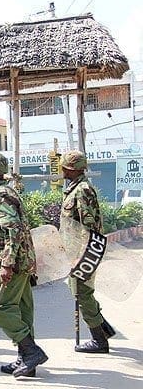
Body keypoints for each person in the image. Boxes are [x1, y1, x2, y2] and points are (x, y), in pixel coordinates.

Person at [0, 152, 48, 378]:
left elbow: (13, 229)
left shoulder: (0, 195)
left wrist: (7, 263)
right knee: (23, 308)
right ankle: (26, 359)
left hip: (11, 261)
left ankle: (30, 352)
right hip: (23, 260)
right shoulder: (7, 192)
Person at [60, 150, 115, 353]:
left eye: (65, 167)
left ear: (72, 169)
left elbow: (88, 227)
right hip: (77, 252)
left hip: (83, 253)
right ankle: (104, 329)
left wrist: (81, 258)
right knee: (83, 293)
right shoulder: (75, 189)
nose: (62, 170)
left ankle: (99, 340)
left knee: (82, 294)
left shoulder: (82, 190)